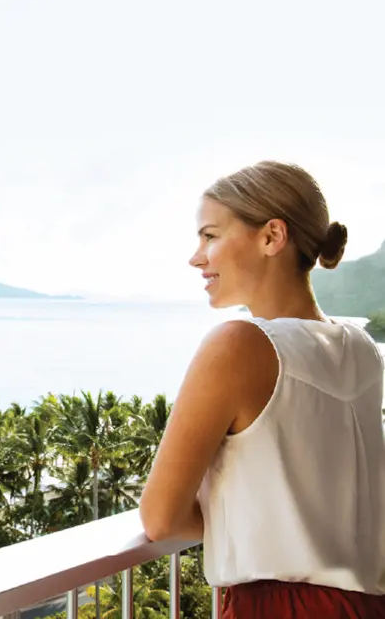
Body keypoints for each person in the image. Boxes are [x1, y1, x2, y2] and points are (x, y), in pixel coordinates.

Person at [138, 160, 385, 617]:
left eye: (210, 236)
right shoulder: (362, 349)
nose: (196, 257)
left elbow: (160, 519)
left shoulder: (237, 345)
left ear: (272, 236)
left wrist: (243, 525)